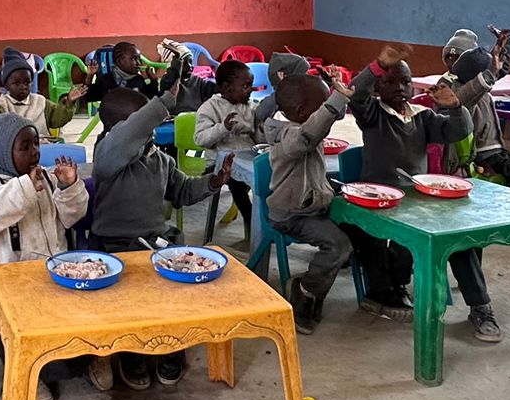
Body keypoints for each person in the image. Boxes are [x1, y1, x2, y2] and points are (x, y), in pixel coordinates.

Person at [87, 87, 230, 388]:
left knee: (176, 292)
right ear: (116, 130)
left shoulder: (159, 160)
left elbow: (181, 191)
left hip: (155, 242)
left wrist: (212, 182)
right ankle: (131, 351)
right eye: (142, 123)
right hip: (115, 246)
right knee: (128, 299)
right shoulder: (107, 157)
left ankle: (171, 346)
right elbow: (126, 137)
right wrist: (162, 102)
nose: (149, 129)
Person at [343, 47, 490, 328]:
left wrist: (456, 106)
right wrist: (378, 64)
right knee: (380, 241)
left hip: (416, 199)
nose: (399, 87)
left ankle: (480, 305)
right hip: (377, 200)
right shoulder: (372, 114)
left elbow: (459, 131)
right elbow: (355, 91)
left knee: (457, 237)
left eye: (405, 82)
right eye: (389, 81)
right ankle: (386, 291)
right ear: (377, 88)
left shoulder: (423, 117)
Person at [0, 115, 89, 400]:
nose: (35, 151)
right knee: (22, 332)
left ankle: (89, 360)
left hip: (55, 269)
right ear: (2, 154)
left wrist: (69, 188)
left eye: (36, 143)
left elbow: (70, 218)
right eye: (25, 146)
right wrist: (24, 188)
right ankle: (30, 374)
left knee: (82, 313)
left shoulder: (43, 177)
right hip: (14, 283)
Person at [262, 71, 354, 335]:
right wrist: (335, 102)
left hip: (313, 204)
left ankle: (368, 287)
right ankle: (305, 291)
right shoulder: (288, 136)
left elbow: (324, 119)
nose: (329, 115)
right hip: (293, 214)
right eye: (321, 108)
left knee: (360, 226)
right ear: (302, 112)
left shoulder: (302, 123)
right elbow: (308, 135)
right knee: (338, 246)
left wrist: (343, 94)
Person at [439, 28, 510, 187]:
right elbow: (465, 97)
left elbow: (497, 68)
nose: (452, 62)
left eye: (457, 57)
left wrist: (504, 46)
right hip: (479, 152)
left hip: (493, 148)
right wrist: (489, 73)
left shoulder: (479, 81)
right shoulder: (452, 87)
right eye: (449, 57)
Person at [191, 58, 262, 237]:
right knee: (235, 183)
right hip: (218, 161)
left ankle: (264, 221)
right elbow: (200, 139)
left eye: (251, 85)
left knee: (268, 175)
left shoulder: (250, 107)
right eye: (245, 86)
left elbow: (257, 138)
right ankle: (251, 219)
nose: (250, 90)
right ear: (226, 87)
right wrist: (223, 127)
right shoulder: (209, 108)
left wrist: (262, 130)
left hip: (246, 157)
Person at [0, 49, 48, 129]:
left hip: (38, 140)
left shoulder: (41, 101)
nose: (23, 86)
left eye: (27, 82)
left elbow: (57, 119)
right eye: (16, 83)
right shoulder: (0, 102)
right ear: (6, 85)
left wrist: (68, 104)